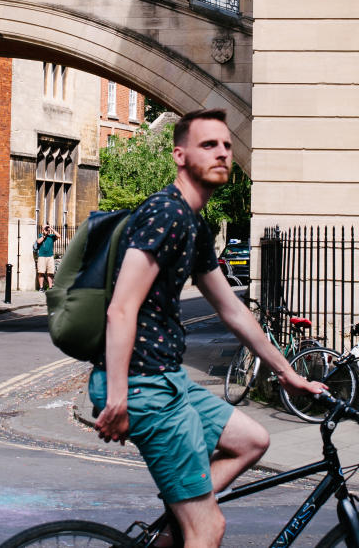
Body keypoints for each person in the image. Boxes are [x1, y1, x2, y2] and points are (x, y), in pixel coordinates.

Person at [92, 109, 323, 548]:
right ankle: (189, 519)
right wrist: (118, 398)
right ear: (179, 155)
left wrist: (288, 373)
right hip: (143, 387)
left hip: (167, 381)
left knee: (252, 440)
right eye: (207, 145)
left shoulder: (193, 224)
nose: (221, 153)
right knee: (209, 528)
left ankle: (173, 525)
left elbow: (233, 311)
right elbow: (121, 309)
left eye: (226, 146)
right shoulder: (165, 214)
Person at [34, 224, 58, 291]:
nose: (47, 230)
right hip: (42, 256)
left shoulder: (51, 236)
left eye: (47, 228)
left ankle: (50, 288)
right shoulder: (40, 235)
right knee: (41, 272)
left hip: (50, 256)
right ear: (42, 229)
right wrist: (44, 235)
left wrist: (52, 229)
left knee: (50, 273)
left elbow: (59, 236)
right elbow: (38, 242)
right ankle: (41, 288)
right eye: (45, 228)